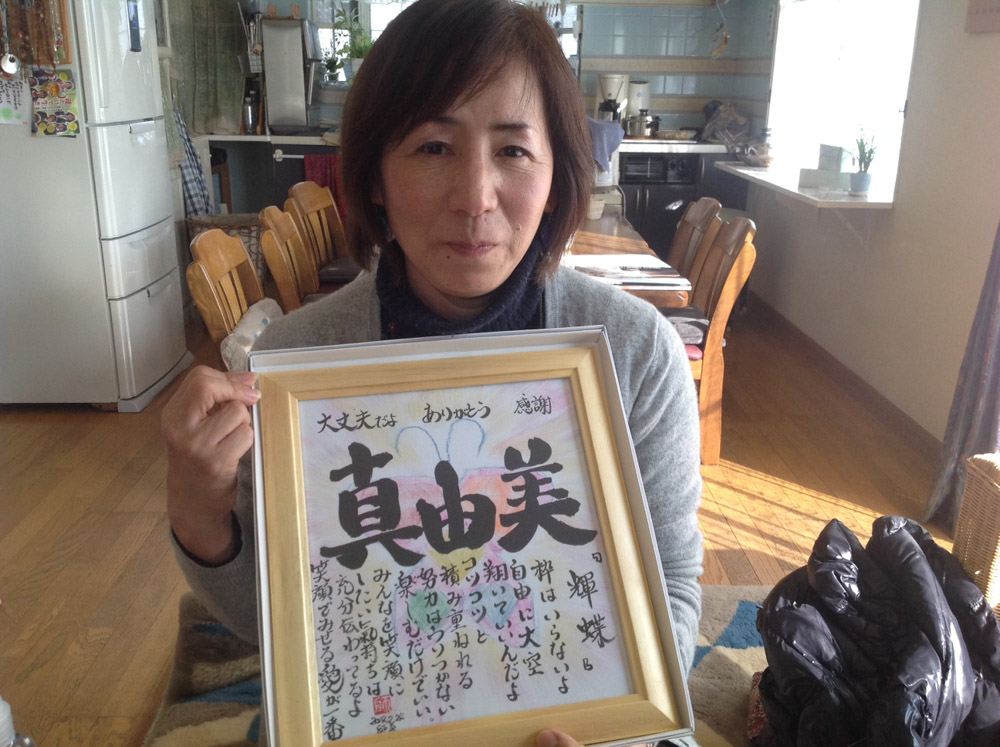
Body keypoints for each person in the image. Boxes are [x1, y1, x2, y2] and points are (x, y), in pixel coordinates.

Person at [163, 0, 702, 740]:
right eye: (434, 147)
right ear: (375, 178)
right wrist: (200, 516)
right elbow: (285, 630)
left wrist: (614, 727)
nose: (475, 197)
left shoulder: (635, 353)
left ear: (556, 174)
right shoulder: (297, 372)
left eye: (513, 150)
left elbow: (670, 592)